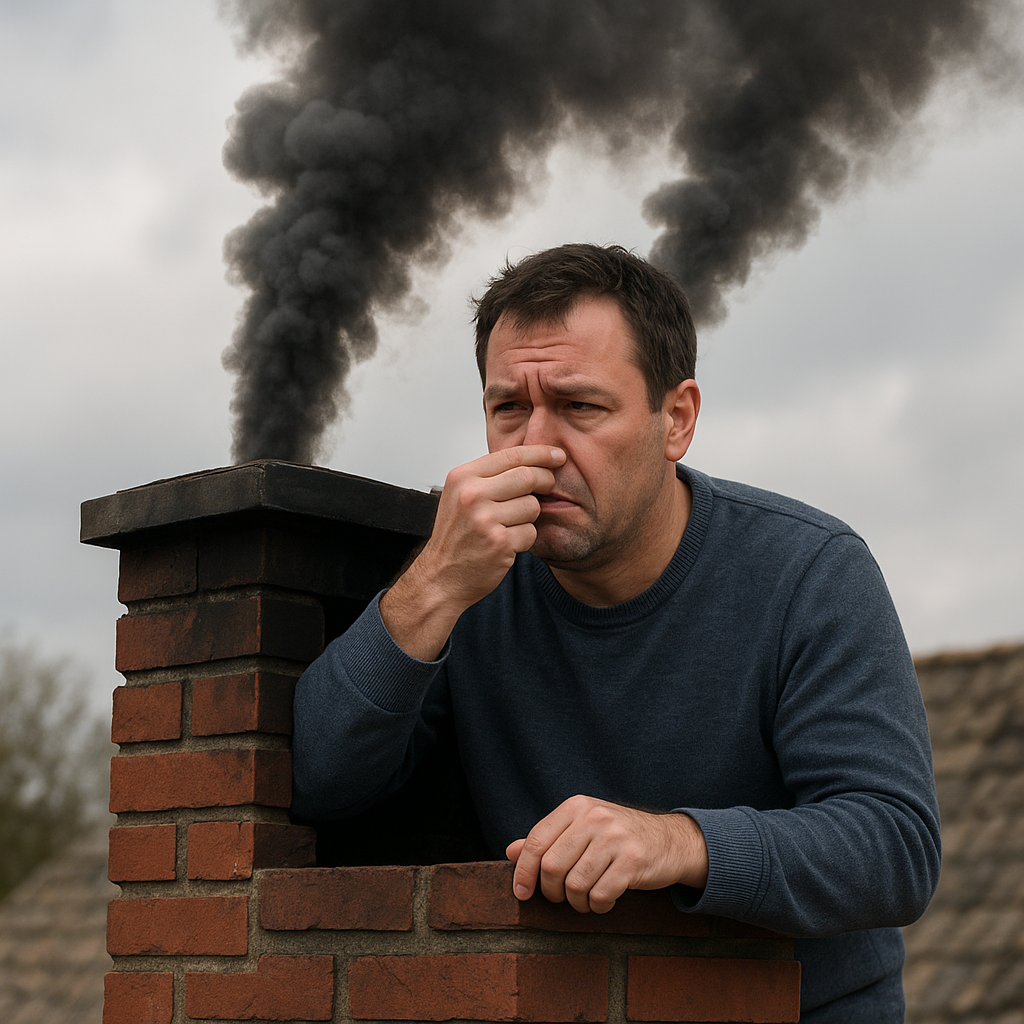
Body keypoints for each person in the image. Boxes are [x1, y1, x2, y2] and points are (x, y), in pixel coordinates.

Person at [292, 243, 940, 1022]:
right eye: (509, 409)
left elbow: (894, 848)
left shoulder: (810, 571)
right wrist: (431, 585)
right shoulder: (467, 572)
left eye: (580, 407)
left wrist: (673, 843)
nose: (540, 447)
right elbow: (317, 785)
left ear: (677, 419)